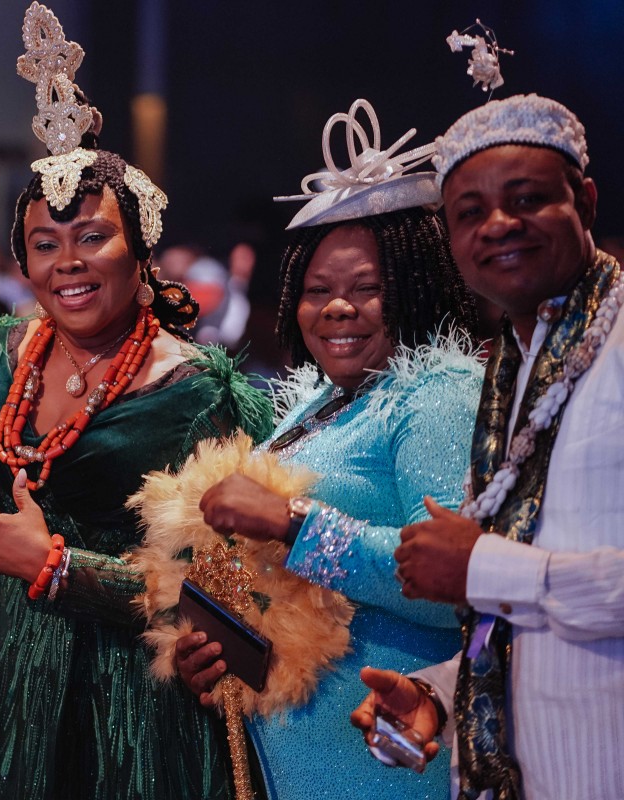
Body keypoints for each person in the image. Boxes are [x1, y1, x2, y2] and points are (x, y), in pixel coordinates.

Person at [0, 6, 274, 799]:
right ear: (22, 262)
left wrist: (61, 568)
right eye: (45, 245)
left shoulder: (199, 394)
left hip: (129, 715)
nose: (68, 263)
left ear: (140, 251)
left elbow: (229, 597)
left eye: (93, 238)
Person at [169, 99, 483, 799]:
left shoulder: (435, 396)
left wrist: (293, 525)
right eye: (319, 291)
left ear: (416, 289)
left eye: (368, 289)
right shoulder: (319, 401)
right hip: (298, 757)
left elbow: (455, 588)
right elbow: (284, 589)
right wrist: (218, 646)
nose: (338, 307)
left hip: (387, 757)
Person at [352, 94, 624, 800]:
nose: (498, 224)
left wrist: (483, 567)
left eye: (527, 199)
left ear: (585, 202)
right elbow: (527, 622)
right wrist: (441, 693)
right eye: (470, 212)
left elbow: (507, 579)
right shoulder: (511, 370)